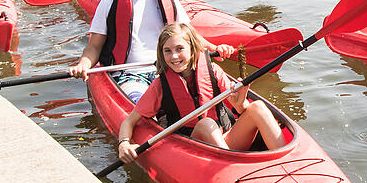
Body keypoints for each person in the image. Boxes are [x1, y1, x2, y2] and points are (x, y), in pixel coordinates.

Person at [69, 0, 232, 101]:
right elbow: (94, 46)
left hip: (169, 69)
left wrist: (214, 48)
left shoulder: (169, 0)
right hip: (129, 75)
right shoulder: (108, 3)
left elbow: (189, 35)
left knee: (203, 98)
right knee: (143, 108)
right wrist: (83, 64)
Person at [115, 22, 287, 163]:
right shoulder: (160, 85)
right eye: (167, 51)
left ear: (192, 48)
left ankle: (285, 160)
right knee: (206, 124)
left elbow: (241, 109)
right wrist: (124, 144)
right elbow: (129, 121)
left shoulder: (213, 70)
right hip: (195, 146)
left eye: (179, 49)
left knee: (258, 107)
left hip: (226, 139)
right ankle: (233, 169)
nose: (174, 56)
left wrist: (241, 102)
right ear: (162, 54)